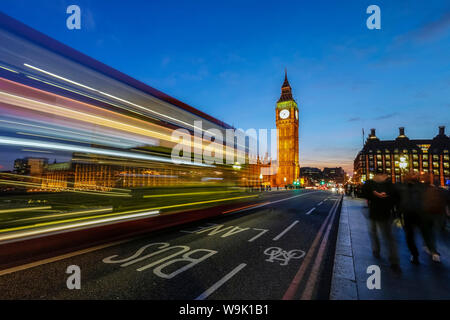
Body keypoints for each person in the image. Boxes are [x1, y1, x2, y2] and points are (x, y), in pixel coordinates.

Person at [397, 173, 443, 264]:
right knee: (427, 234)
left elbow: (399, 201)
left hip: (410, 215)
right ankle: (433, 252)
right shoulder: (423, 187)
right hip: (421, 215)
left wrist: (399, 214)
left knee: (411, 237)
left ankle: (415, 255)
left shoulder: (403, 188)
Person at [362, 173, 401, 273]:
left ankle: (394, 260)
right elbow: (364, 191)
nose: (376, 178)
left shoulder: (390, 186)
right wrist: (375, 193)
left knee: (388, 237)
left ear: (384, 176)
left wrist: (383, 197)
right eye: (375, 176)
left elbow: (396, 198)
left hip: (385, 215)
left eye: (378, 176)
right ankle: (376, 250)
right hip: (374, 213)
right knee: (373, 233)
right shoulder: (371, 184)